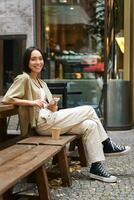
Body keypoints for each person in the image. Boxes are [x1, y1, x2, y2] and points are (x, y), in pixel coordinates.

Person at [2, 46, 130, 183]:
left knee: (90, 125)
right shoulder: (24, 78)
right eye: (33, 59)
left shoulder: (41, 83)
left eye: (40, 59)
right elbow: (7, 98)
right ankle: (107, 144)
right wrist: (32, 102)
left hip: (50, 119)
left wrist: (52, 105)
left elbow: (53, 109)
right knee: (88, 110)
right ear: (27, 62)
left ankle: (96, 167)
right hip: (41, 122)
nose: (38, 62)